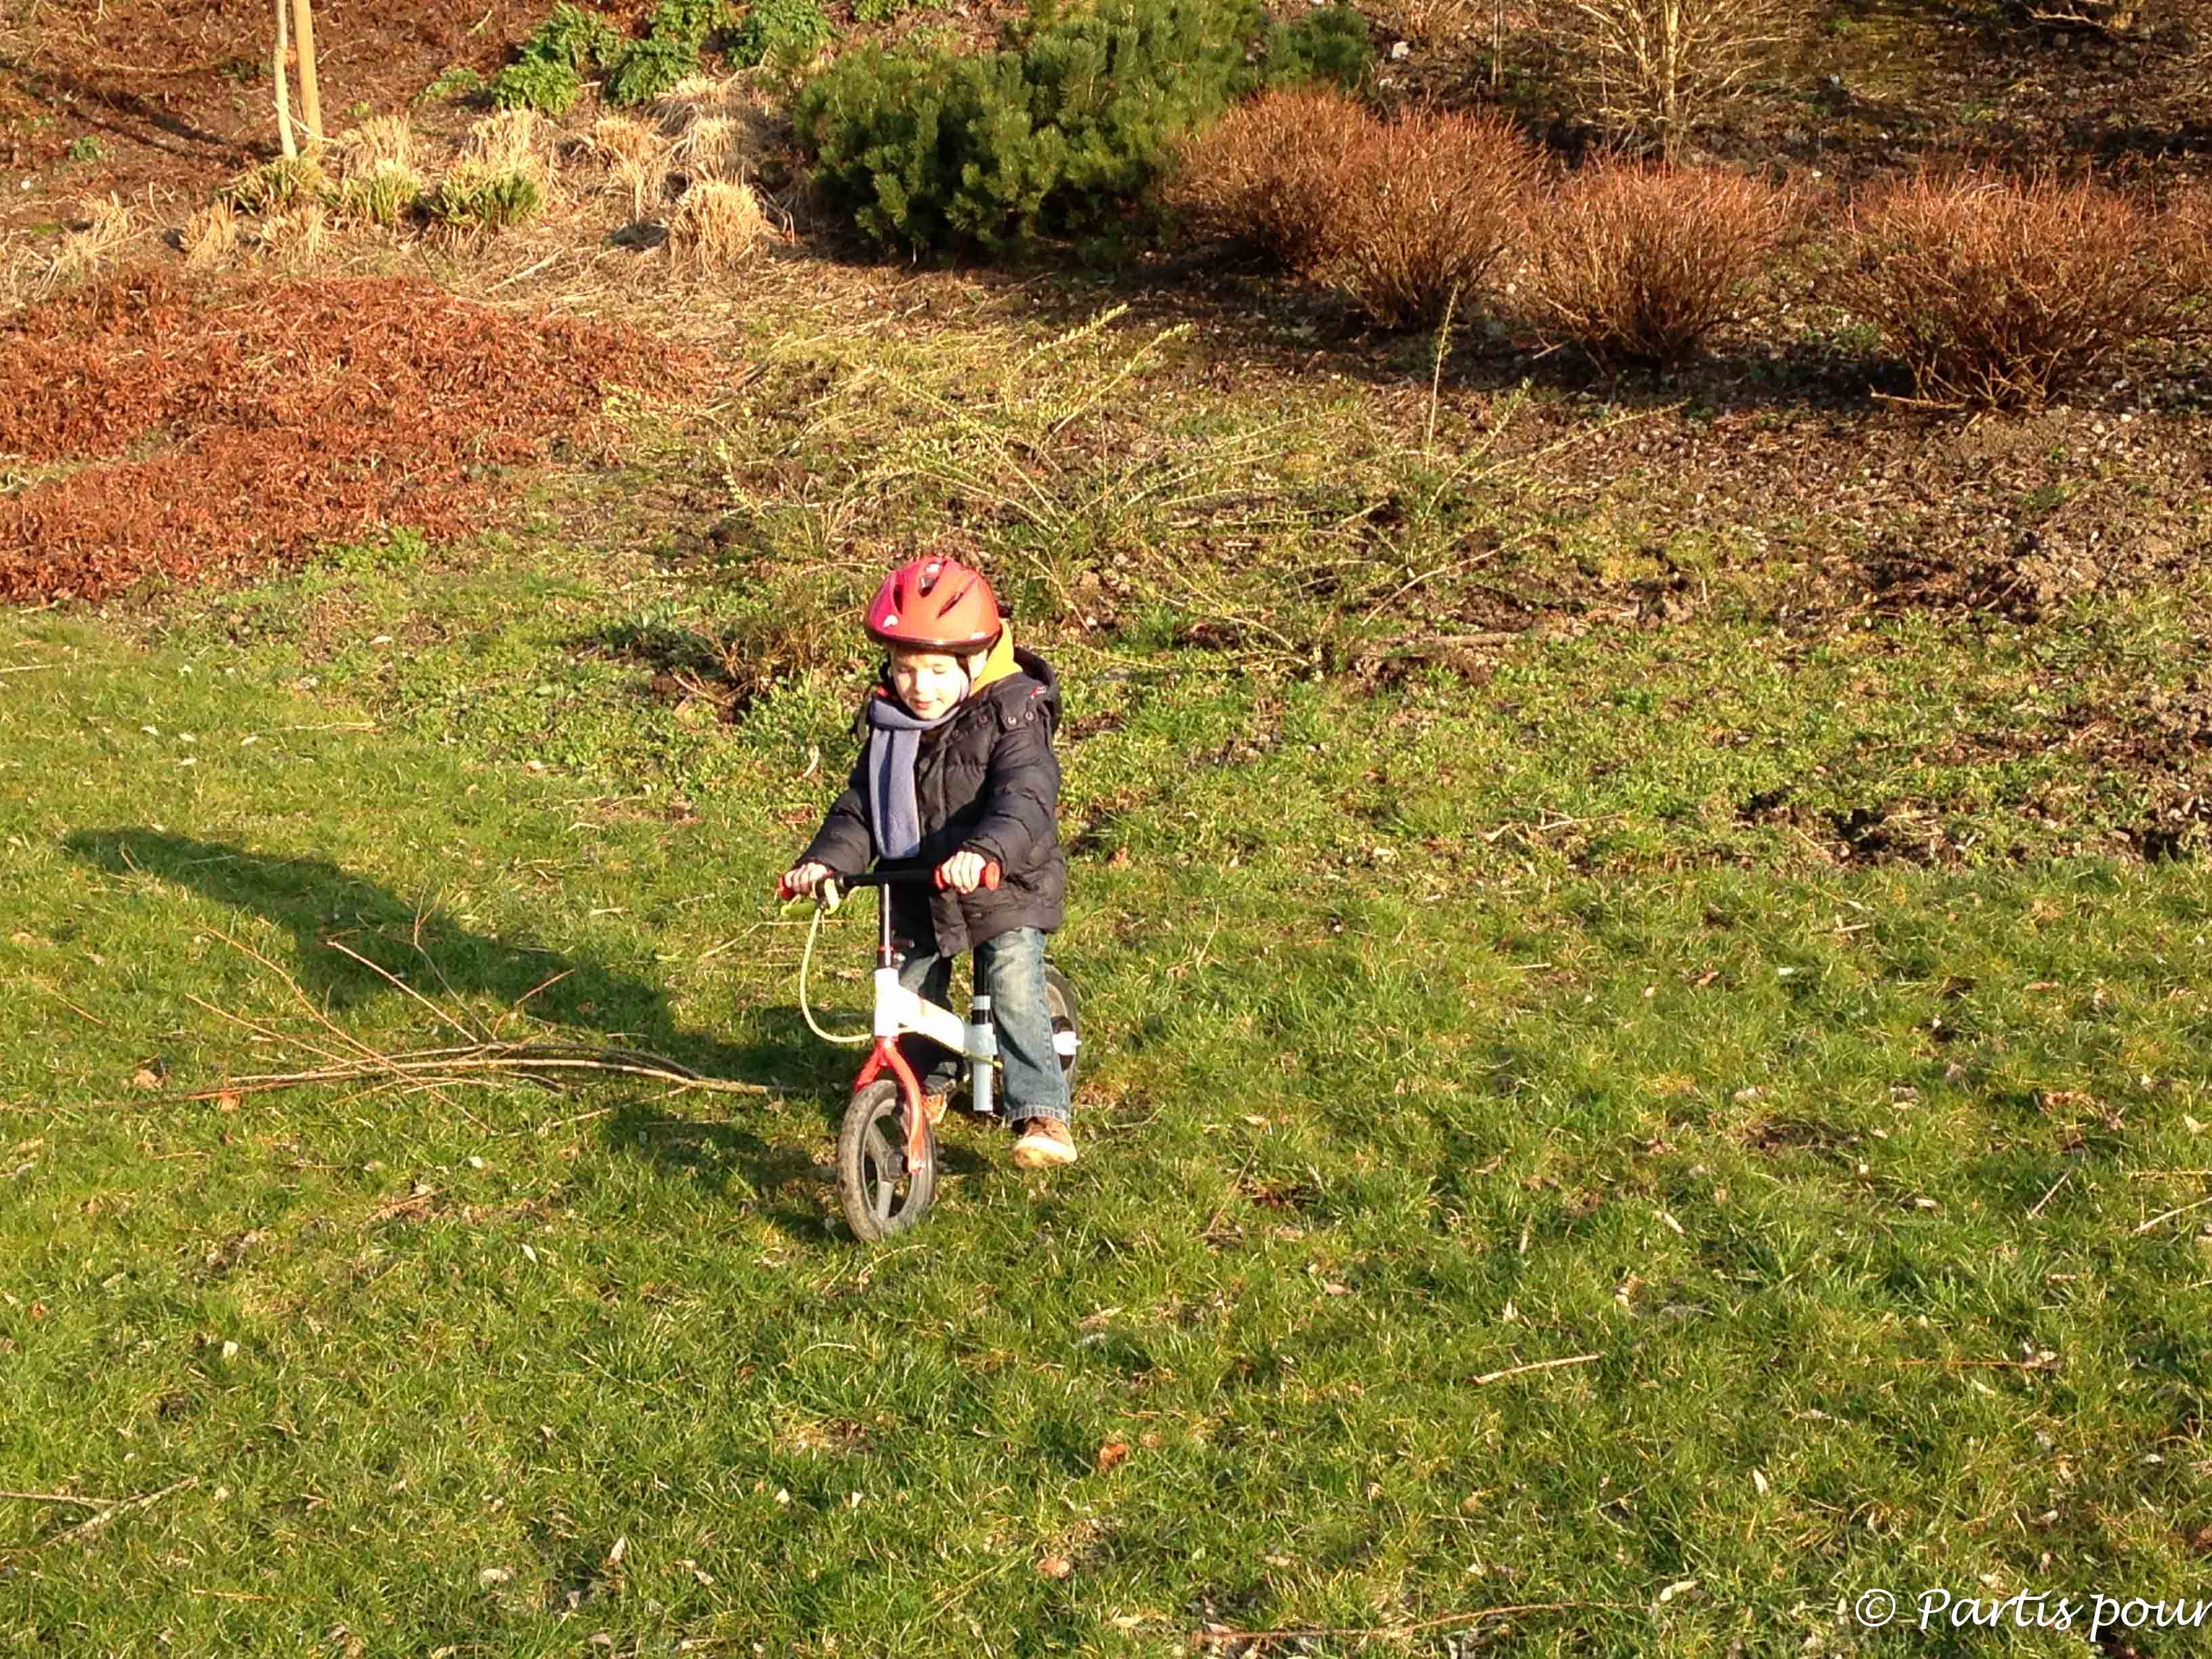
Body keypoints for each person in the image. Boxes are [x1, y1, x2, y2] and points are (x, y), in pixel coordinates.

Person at [781, 556, 1076, 1168]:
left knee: (1012, 979)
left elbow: (1025, 797)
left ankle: (1043, 1108)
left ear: (975, 662)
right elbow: (861, 809)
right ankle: (926, 1083)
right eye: (906, 669)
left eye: (939, 671)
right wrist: (825, 861)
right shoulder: (891, 725)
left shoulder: (1014, 713)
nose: (921, 687)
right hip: (917, 878)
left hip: (1004, 878)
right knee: (910, 985)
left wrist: (986, 850)